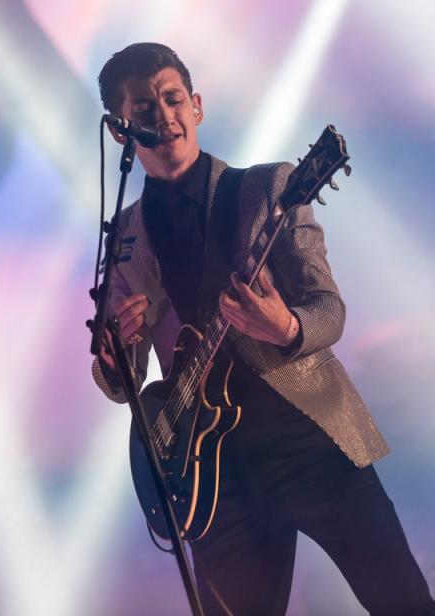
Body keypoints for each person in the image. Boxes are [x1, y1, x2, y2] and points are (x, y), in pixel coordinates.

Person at [91, 42, 434, 614]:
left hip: (308, 438)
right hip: (212, 475)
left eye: (172, 99)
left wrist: (285, 327)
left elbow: (329, 310)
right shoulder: (122, 238)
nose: (164, 116)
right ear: (121, 132)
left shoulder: (270, 189)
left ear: (196, 106)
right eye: (144, 110)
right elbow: (123, 380)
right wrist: (113, 361)